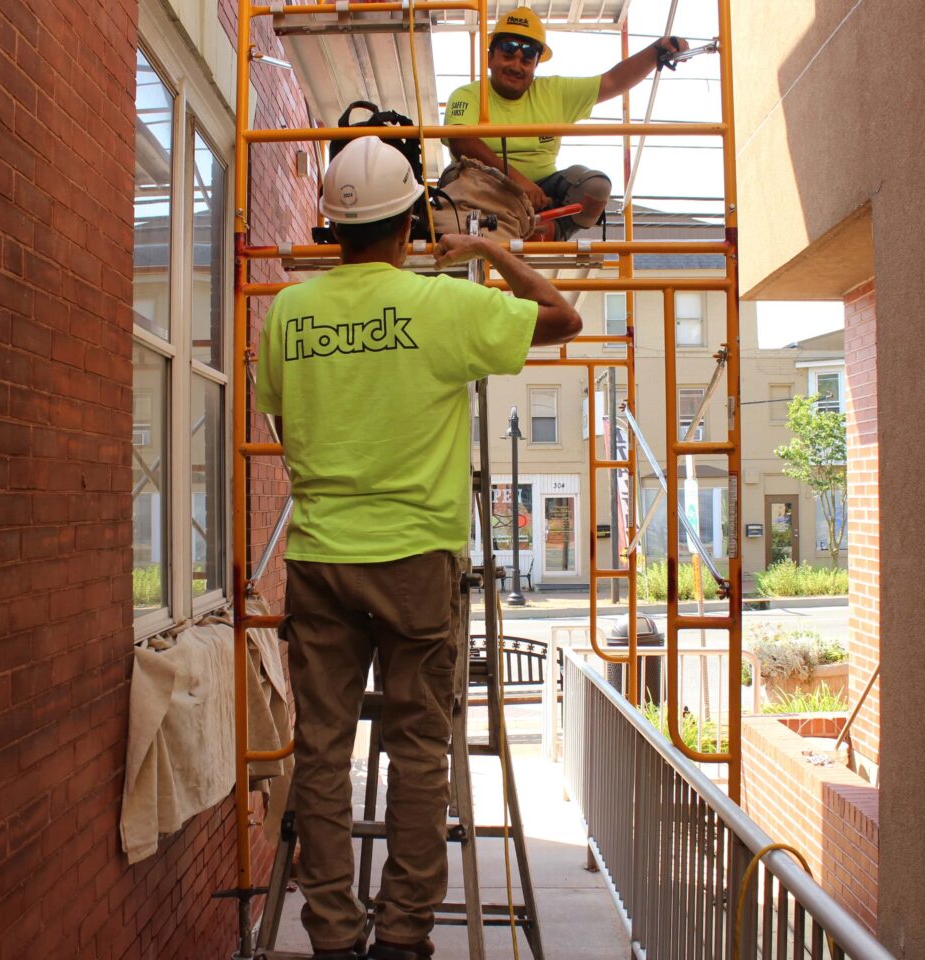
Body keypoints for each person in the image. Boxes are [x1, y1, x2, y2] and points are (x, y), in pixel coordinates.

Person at [256, 137, 580, 960]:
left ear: (333, 226)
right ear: (410, 225)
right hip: (416, 563)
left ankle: (332, 937)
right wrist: (492, 248)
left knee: (323, 755)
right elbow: (563, 319)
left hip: (320, 558)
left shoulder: (288, 313)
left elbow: (289, 429)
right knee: (417, 752)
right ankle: (401, 939)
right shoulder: (442, 306)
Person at [443, 6, 691, 240]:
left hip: (541, 195)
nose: (516, 66)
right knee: (455, 177)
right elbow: (462, 142)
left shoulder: (554, 92)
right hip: (483, 188)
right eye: (508, 56)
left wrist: (656, 51)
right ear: (489, 59)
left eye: (526, 61)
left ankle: (548, 231)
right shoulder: (467, 95)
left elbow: (613, 82)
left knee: (596, 187)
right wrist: (517, 182)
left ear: (536, 65)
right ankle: (507, 226)